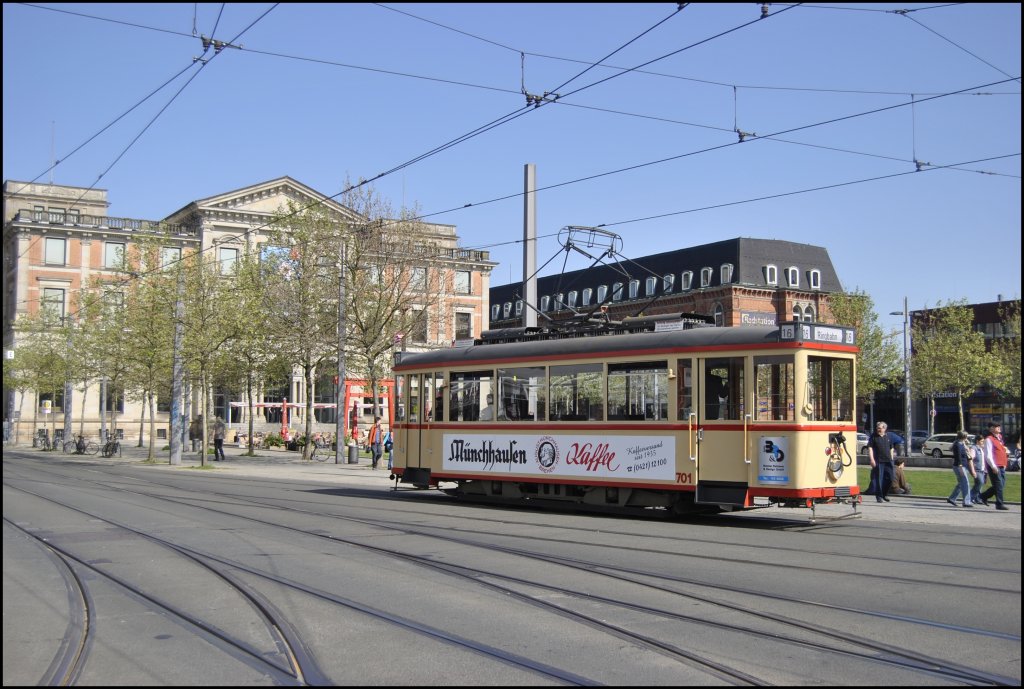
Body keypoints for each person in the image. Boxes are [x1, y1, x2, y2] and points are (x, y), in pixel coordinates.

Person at [978, 422, 1009, 510]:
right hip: (995, 466)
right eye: (996, 426)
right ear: (991, 429)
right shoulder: (989, 439)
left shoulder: (999, 438)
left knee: (1001, 485)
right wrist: (993, 466)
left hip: (1001, 465)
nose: (999, 428)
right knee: (998, 485)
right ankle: (999, 504)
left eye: (999, 426)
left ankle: (983, 496)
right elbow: (988, 455)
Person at [867, 421, 896, 503]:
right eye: (878, 428)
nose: (878, 429)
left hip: (888, 461)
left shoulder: (888, 436)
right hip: (878, 461)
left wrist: (891, 458)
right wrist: (872, 459)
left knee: (890, 478)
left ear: (884, 428)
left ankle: (884, 494)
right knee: (879, 479)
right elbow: (870, 448)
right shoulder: (873, 436)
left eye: (880, 428)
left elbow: (891, 448)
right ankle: (879, 496)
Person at [946, 431, 974, 507]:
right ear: (964, 437)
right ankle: (966, 502)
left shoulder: (962, 444)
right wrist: (960, 467)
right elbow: (958, 457)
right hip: (959, 466)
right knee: (966, 483)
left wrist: (966, 445)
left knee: (961, 484)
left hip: (963, 466)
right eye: (966, 436)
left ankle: (952, 498)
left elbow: (966, 452)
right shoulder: (957, 445)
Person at [888, 430, 911, 495]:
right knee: (908, 486)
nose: (904, 466)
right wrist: (906, 489)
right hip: (895, 489)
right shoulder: (899, 470)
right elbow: (903, 484)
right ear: (900, 464)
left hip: (888, 489)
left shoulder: (890, 468)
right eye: (903, 464)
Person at [969, 433, 988, 504]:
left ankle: (977, 498)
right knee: (980, 483)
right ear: (977, 441)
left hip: (982, 469)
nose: (983, 443)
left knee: (980, 484)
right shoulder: (974, 448)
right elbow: (971, 458)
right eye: (982, 441)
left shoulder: (981, 448)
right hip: (977, 469)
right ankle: (970, 497)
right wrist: (973, 469)